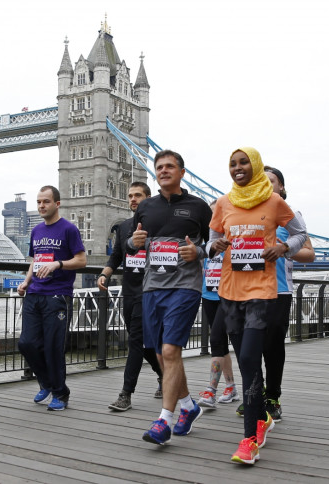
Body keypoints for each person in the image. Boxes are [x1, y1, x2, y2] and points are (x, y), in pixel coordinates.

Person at [208, 147, 307, 464]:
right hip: (229, 292)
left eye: (244, 163)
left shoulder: (274, 202)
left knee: (250, 358)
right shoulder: (224, 202)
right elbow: (209, 243)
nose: (238, 168)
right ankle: (261, 417)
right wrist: (215, 245)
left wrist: (283, 247)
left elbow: (300, 234)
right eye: (232, 164)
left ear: (256, 166)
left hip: (262, 292)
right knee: (246, 362)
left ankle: (248, 439)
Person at [130, 150, 212, 445]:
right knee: (161, 354)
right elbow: (130, 245)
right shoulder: (146, 207)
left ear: (181, 172)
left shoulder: (199, 207)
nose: (163, 171)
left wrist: (199, 252)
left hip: (185, 286)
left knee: (169, 351)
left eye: (169, 167)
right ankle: (189, 407)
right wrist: (133, 241)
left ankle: (164, 420)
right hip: (152, 287)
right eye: (159, 167)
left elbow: (215, 243)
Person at [235, 166, 315, 422]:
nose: (266, 185)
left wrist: (282, 249)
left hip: (278, 289)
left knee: (272, 347)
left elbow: (310, 254)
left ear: (281, 187)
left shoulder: (290, 215)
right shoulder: (245, 212)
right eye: (262, 180)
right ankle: (253, 394)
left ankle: (273, 397)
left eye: (272, 181)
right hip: (247, 288)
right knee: (249, 346)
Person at [17, 185, 87, 411]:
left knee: (53, 347)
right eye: (38, 202)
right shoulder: (36, 231)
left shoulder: (68, 229)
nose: (41, 206)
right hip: (34, 293)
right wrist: (26, 281)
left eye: (46, 202)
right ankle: (46, 382)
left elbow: (81, 260)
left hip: (57, 296)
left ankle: (60, 393)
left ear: (57, 204)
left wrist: (58, 264)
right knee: (26, 343)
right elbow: (36, 260)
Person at [99, 182, 164, 411]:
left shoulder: (158, 224)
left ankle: (125, 394)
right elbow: (117, 255)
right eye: (130, 196)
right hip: (130, 291)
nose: (133, 199)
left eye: (138, 195)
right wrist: (105, 274)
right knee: (143, 345)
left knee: (135, 341)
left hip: (150, 293)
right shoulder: (125, 226)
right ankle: (164, 376)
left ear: (148, 198)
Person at [197, 235, 239, 410]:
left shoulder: (234, 238)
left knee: (216, 340)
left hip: (229, 295)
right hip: (209, 294)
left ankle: (211, 390)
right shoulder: (208, 242)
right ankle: (231, 388)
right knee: (220, 343)